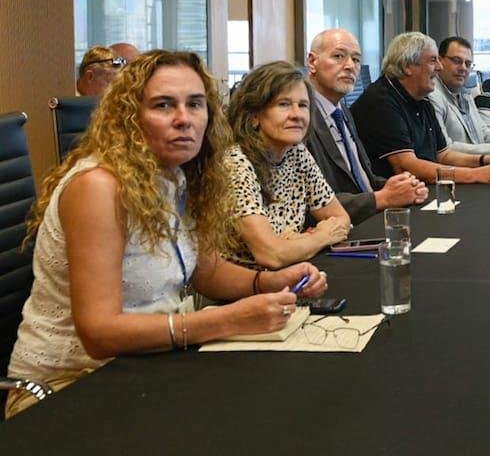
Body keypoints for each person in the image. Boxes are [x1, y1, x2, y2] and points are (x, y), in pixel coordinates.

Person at [5, 51, 327, 418]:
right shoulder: (98, 186)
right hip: (65, 388)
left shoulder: (176, 174)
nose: (183, 119)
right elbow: (98, 333)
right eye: (163, 105)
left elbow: (205, 270)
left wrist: (267, 282)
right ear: (130, 117)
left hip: (145, 368)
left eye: (195, 104)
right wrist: (227, 320)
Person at [225, 62, 354, 269]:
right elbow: (271, 255)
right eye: (283, 104)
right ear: (254, 116)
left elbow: (340, 217)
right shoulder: (236, 164)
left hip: (287, 276)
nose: (296, 114)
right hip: (242, 291)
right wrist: (320, 237)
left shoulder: (296, 152)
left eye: (303, 105)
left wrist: (297, 243)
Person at [351, 32, 490, 184]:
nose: (439, 67)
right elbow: (406, 166)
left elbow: (444, 155)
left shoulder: (422, 98)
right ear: (407, 66)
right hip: (391, 206)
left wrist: (485, 160)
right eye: (433, 60)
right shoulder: (381, 101)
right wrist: (474, 174)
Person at [304, 28, 428, 225]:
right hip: (336, 233)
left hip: (369, 219)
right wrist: (383, 197)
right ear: (312, 62)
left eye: (355, 59)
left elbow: (362, 178)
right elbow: (309, 202)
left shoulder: (343, 111)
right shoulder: (300, 118)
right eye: (338, 56)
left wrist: (398, 186)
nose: (349, 66)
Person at [429, 37, 490, 156]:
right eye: (456, 61)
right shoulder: (432, 96)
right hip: (460, 169)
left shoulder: (465, 95)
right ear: (439, 62)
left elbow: (483, 132)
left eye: (468, 63)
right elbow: (445, 148)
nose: (463, 68)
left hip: (480, 164)